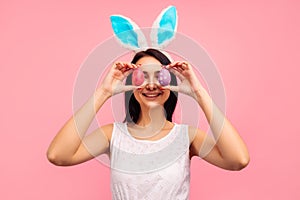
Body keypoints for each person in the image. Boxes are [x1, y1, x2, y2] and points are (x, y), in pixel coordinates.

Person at [47, 48, 250, 199]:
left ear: (171, 83)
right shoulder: (112, 135)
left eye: (159, 76)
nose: (151, 84)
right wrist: (104, 92)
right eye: (142, 76)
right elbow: (58, 155)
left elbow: (238, 160)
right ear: (131, 85)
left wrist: (198, 92)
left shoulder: (187, 137)